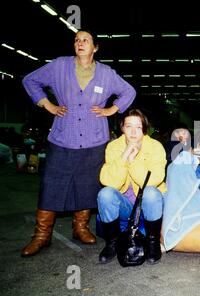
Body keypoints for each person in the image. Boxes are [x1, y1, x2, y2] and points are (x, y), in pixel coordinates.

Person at [21, 30, 136, 257]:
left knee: (87, 186)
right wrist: (48, 105)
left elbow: (128, 91)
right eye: (77, 40)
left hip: (94, 141)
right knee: (51, 185)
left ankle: (80, 228)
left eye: (85, 40)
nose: (80, 43)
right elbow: (30, 80)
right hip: (63, 138)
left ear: (95, 48)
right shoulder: (59, 66)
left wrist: (111, 109)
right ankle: (41, 235)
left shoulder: (106, 73)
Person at [97, 109, 166, 264]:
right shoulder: (114, 146)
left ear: (144, 129)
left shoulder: (155, 147)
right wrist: (124, 157)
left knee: (151, 192)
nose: (133, 132)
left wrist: (133, 161)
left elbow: (153, 180)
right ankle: (112, 244)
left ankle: (153, 243)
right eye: (129, 126)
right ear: (122, 128)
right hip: (127, 207)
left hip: (149, 207)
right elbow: (110, 182)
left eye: (138, 127)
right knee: (105, 194)